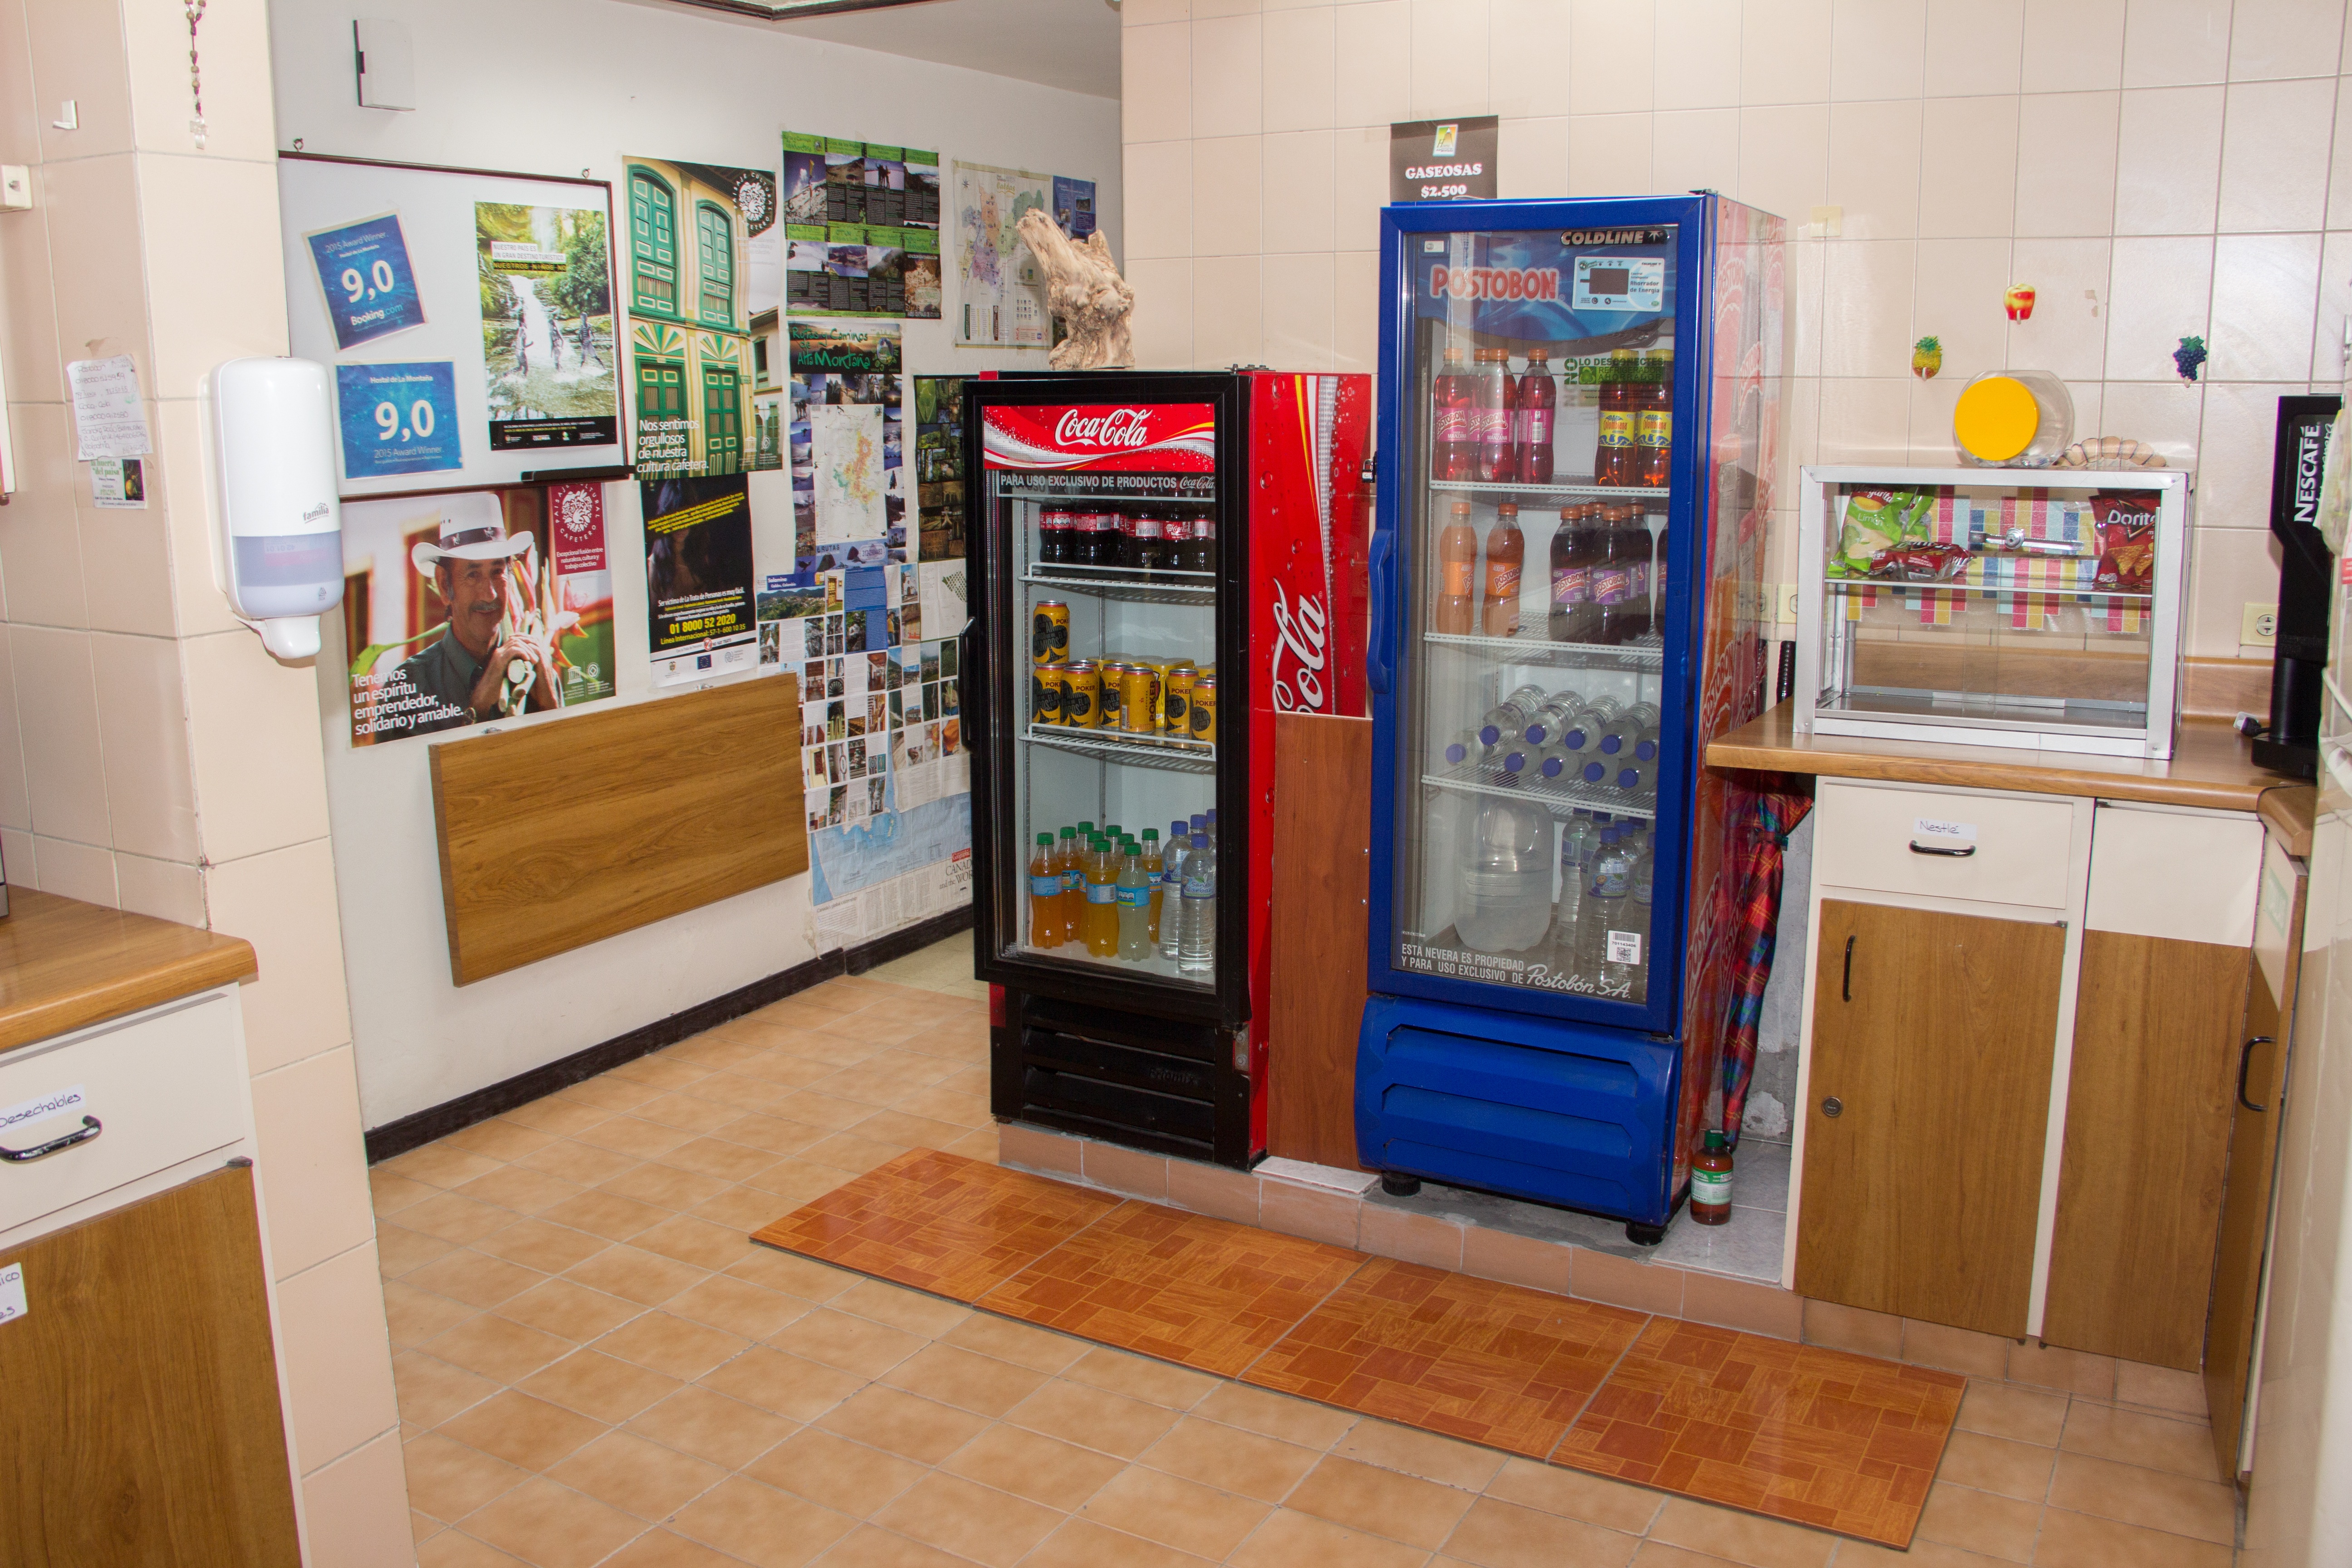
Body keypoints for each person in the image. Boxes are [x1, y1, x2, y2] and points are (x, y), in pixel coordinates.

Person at [394, 512, 560, 736]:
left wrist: (552, 709)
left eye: (497, 572)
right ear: (444, 586)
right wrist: (477, 708)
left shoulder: (536, 668)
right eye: (473, 575)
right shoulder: (408, 687)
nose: (490, 594)